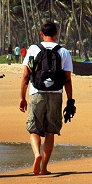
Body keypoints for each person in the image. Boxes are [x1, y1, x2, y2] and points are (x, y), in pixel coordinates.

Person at [19, 21, 74, 175]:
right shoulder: (64, 52)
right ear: (56, 34)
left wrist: (22, 97)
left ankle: (37, 154)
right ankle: (43, 168)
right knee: (50, 131)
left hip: (37, 93)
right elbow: (67, 80)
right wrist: (70, 101)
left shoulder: (34, 49)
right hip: (56, 94)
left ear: (41, 33)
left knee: (34, 129)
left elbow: (25, 75)